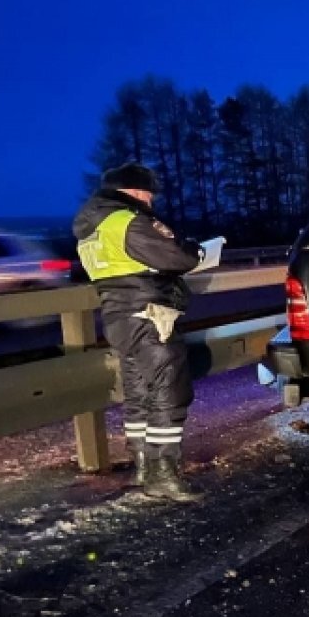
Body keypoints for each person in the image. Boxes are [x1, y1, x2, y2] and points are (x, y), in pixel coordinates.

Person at [73, 162, 203, 502]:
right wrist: (197, 250)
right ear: (133, 191)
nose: (151, 200)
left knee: (139, 391)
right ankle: (164, 475)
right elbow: (177, 257)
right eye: (148, 193)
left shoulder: (90, 230)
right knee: (168, 391)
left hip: (118, 318)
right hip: (150, 314)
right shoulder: (128, 221)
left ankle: (143, 467)